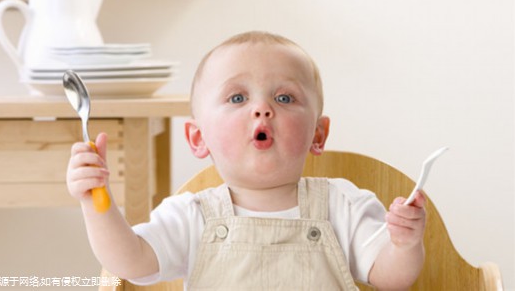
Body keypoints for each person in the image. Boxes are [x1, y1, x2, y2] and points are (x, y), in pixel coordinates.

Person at [67, 31, 426, 290]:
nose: (262, 108)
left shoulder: (344, 206)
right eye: (237, 98)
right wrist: (95, 202)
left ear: (318, 134)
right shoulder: (191, 216)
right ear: (199, 138)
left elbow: (392, 278)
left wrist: (404, 245)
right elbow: (130, 262)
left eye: (284, 98)